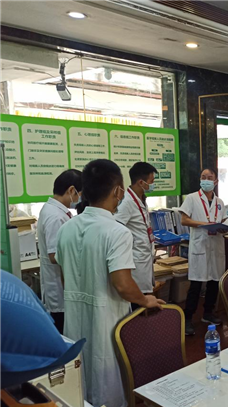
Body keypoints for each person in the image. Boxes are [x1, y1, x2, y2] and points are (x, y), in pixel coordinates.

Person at [56, 159, 164, 407]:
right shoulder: (117, 232)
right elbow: (123, 285)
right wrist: (145, 299)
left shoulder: (67, 228)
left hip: (74, 321)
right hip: (107, 321)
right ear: (117, 191)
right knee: (108, 382)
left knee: (80, 384)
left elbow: (65, 277)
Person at [181, 168, 227, 335]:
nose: (206, 180)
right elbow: (184, 219)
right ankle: (188, 318)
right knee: (196, 284)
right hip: (200, 246)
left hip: (215, 246)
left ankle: (208, 313)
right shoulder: (192, 198)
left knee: (214, 282)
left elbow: (223, 221)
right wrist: (204, 224)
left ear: (216, 181)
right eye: (203, 177)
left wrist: (224, 228)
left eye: (209, 177)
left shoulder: (220, 202)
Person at [37, 169, 82, 334]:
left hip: (61, 284)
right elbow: (54, 256)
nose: (80, 198)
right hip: (58, 288)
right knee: (63, 331)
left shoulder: (55, 210)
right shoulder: (56, 216)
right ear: (71, 190)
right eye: (80, 194)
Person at [114, 162, 158, 309]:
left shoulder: (140, 198)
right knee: (137, 304)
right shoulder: (126, 202)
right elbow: (116, 228)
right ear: (141, 182)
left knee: (145, 299)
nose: (153, 185)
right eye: (151, 181)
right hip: (135, 259)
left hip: (144, 256)